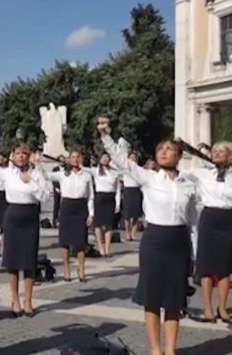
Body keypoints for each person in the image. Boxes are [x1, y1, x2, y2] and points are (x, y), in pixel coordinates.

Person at [98, 117, 197, 355]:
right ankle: (155, 348)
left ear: (179, 156)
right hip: (154, 241)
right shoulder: (148, 178)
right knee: (152, 298)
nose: (164, 152)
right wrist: (106, 136)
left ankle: (171, 349)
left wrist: (195, 254)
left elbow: (193, 222)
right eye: (160, 149)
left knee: (175, 299)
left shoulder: (189, 184)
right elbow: (123, 163)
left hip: (179, 242)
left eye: (169, 149)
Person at [0, 141, 51, 318]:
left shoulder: (37, 172)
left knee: (29, 261)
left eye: (24, 154)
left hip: (30, 216)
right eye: (17, 153)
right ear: (13, 155)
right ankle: (15, 299)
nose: (21, 157)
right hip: (12, 216)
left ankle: (28, 300)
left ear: (29, 156)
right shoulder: (7, 172)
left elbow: (46, 195)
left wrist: (31, 182)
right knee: (12, 262)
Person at [184, 142, 232, 324]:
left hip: (228, 219)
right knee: (206, 265)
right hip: (209, 218)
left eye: (222, 151)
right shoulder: (203, 174)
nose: (218, 154)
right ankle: (208, 309)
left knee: (225, 266)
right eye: (215, 151)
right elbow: (181, 174)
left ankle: (223, 308)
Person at [44, 151, 94, 282]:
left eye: (78, 157)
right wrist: (37, 163)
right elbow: (46, 176)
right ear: (69, 159)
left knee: (81, 241)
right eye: (73, 157)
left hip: (81, 207)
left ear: (82, 159)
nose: (75, 159)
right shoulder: (63, 174)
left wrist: (91, 213)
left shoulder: (87, 176)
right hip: (67, 207)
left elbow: (90, 196)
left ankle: (81, 269)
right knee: (65, 241)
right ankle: (66, 269)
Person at [89, 152, 121, 257]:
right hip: (100, 198)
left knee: (109, 224)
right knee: (98, 224)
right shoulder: (96, 171)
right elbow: (84, 169)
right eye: (103, 157)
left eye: (107, 157)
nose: (105, 159)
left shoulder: (114, 172)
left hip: (110, 198)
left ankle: (107, 248)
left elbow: (117, 189)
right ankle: (100, 247)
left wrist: (118, 203)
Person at [122, 152, 144, 242]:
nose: (133, 159)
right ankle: (127, 232)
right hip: (128, 190)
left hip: (137, 190)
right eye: (131, 158)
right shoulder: (125, 169)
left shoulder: (139, 169)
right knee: (127, 215)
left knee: (135, 215)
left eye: (134, 158)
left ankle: (133, 233)